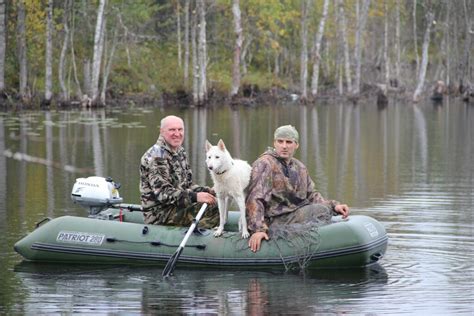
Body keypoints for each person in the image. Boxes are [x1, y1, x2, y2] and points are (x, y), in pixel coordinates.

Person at [245, 125, 350, 252]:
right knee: (321, 210)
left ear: (296, 145)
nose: (284, 146)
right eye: (280, 141)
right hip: (273, 220)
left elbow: (311, 195)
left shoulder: (300, 167)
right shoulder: (264, 164)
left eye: (289, 142)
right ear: (274, 143)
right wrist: (258, 230)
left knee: (322, 208)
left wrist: (334, 206)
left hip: (292, 215)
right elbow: (255, 198)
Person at [140, 115, 219, 228]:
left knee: (215, 201)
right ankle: (201, 240)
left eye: (180, 129)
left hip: (178, 205)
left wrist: (209, 191)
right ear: (162, 131)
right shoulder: (157, 156)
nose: (177, 134)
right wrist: (195, 196)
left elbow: (187, 185)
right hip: (160, 214)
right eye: (172, 130)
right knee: (213, 207)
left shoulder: (179, 151)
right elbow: (163, 194)